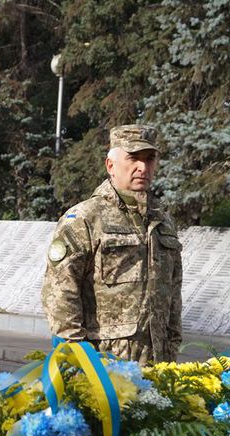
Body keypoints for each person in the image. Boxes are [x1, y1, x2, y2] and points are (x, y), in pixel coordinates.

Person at [41, 124, 182, 364]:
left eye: (149, 159)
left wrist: (174, 341)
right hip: (104, 360)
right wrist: (77, 355)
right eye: (133, 158)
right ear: (110, 165)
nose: (143, 167)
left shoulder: (163, 221)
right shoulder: (86, 217)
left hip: (159, 359)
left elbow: (174, 288)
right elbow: (60, 290)